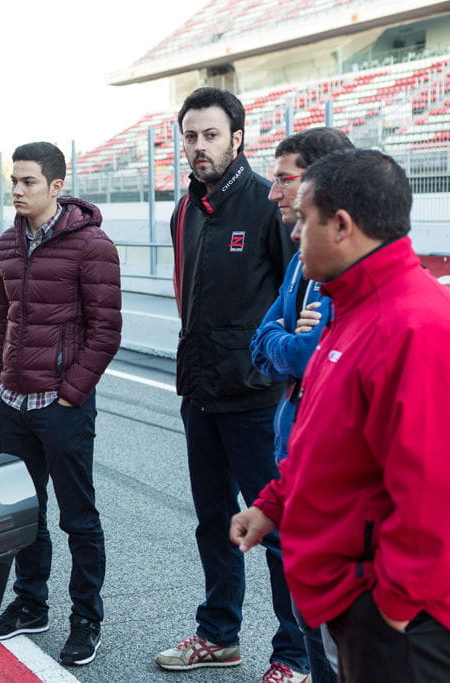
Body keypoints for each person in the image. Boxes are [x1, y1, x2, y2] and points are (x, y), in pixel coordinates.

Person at [231, 149, 450, 682]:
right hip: (357, 598)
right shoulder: (356, 309)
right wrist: (275, 504)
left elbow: (445, 494)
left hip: (405, 619)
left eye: (304, 219)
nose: (295, 234)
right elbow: (323, 437)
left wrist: (393, 606)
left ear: (341, 226)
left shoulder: (419, 329)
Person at [156, 88, 307, 682]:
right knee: (213, 521)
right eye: (189, 136)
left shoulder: (266, 205)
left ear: (237, 138)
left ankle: (292, 654)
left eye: (210, 135)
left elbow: (294, 293)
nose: (198, 147)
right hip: (199, 395)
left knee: (274, 530)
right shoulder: (184, 210)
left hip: (256, 400)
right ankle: (219, 634)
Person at [0, 141, 121, 667]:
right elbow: (3, 323)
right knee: (26, 514)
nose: (17, 190)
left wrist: (70, 395)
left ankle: (86, 618)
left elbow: (107, 331)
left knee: (78, 517)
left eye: (28, 182)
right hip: (14, 403)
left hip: (61, 405)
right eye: (13, 181)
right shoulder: (6, 246)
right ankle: (31, 603)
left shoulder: (92, 246)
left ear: (56, 187)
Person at [250, 127, 353, 683]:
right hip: (294, 462)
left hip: (336, 508)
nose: (273, 192)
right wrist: (288, 340)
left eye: (284, 178)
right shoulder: (298, 260)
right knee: (312, 628)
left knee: (340, 646)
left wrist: (288, 344)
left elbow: (312, 357)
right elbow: (263, 344)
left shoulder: (342, 272)